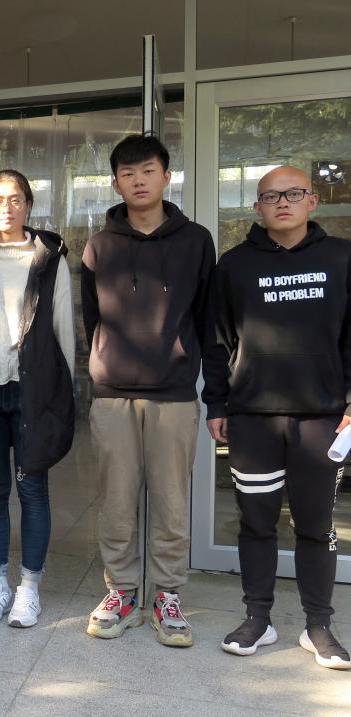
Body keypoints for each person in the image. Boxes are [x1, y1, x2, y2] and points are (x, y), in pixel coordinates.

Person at [203, 166, 351, 670]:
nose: (282, 202)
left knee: (316, 526)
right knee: (257, 523)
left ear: (312, 200)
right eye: (270, 196)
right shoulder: (235, 265)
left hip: (323, 419)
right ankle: (258, 619)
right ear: (257, 207)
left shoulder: (341, 258)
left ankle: (318, 625)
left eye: (292, 194)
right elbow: (217, 341)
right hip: (252, 418)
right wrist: (217, 404)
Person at [81, 134, 215, 646]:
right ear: (116, 183)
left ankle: (166, 595)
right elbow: (92, 319)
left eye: (148, 170)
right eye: (128, 173)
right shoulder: (100, 245)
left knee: (170, 501)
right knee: (115, 501)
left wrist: (211, 389)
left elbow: (207, 318)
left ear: (166, 176)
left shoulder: (196, 241)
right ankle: (121, 592)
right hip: (113, 393)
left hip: (174, 392)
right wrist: (103, 365)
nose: (138, 180)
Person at [0, 169, 75, 628]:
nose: (6, 207)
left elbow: (63, 328)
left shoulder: (49, 258)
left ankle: (29, 587)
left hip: (33, 391)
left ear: (28, 205)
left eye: (15, 199)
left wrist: (64, 394)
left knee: (32, 490)